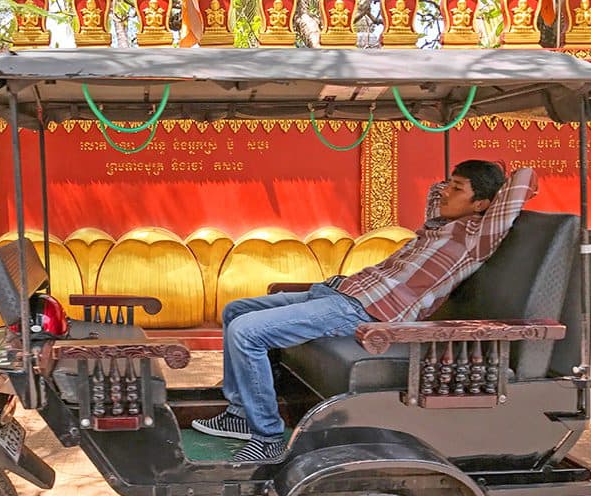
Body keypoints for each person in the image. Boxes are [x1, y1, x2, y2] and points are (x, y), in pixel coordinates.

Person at [192, 160, 538, 462]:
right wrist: (459, 182)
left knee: (247, 332)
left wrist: (499, 179)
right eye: (450, 183)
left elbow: (522, 180)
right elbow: (436, 191)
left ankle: (266, 437)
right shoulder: (437, 225)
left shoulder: (478, 236)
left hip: (365, 311)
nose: (445, 191)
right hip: (340, 290)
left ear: (482, 204)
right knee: (236, 311)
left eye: (457, 187)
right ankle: (239, 412)